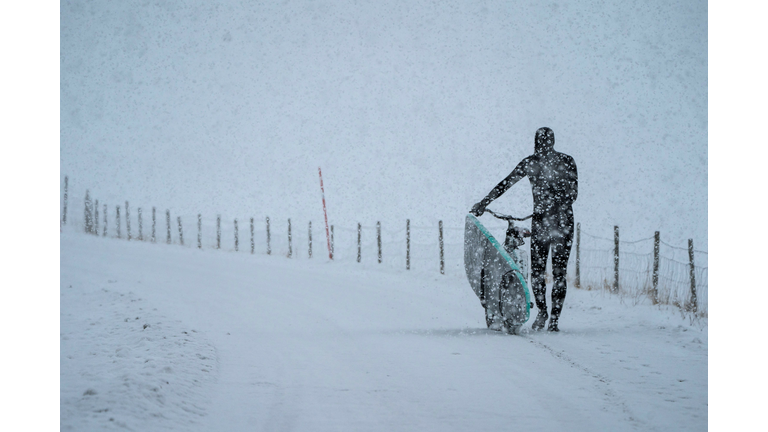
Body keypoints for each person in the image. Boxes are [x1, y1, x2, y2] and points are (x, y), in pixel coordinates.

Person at [471, 127, 578, 332]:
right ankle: (549, 316)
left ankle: (549, 316)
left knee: (547, 272)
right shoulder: (560, 161)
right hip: (558, 222)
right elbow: (506, 184)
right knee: (551, 273)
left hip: (550, 222)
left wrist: (484, 202)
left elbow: (505, 184)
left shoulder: (538, 162)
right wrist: (484, 202)